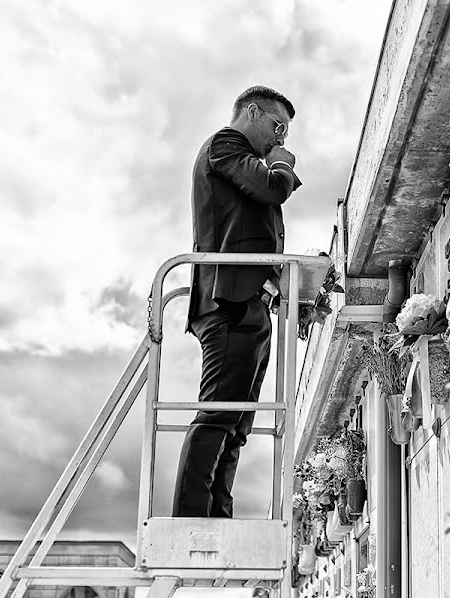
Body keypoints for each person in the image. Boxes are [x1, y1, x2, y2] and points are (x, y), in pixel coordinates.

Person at [173, 85, 301, 518]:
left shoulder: (235, 154)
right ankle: (191, 519)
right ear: (252, 111)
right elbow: (271, 188)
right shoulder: (225, 144)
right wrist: (283, 166)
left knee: (237, 424)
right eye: (278, 126)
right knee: (218, 415)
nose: (281, 139)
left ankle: (218, 517)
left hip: (249, 305)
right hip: (227, 305)